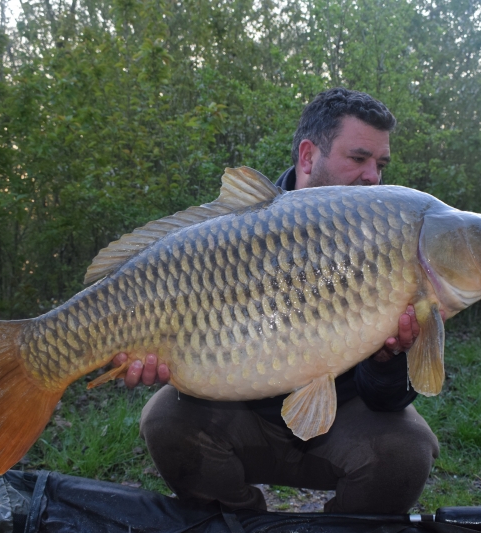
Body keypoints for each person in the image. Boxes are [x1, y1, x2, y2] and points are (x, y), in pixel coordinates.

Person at [113, 88, 440, 514]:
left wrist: (388, 359)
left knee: (407, 450)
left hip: (341, 422)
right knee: (164, 421)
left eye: (380, 164)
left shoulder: (388, 245)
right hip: (239, 414)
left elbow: (388, 401)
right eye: (358, 158)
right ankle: (241, 520)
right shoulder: (241, 229)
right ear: (308, 157)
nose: (373, 177)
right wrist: (157, 358)